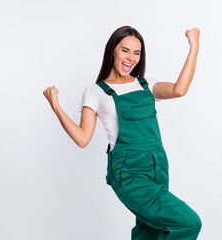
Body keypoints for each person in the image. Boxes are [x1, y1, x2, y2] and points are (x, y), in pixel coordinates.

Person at [43, 25, 201, 239]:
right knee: (188, 222)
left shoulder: (146, 85)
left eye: (137, 53)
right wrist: (56, 106)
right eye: (125, 50)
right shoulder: (96, 92)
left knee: (150, 232)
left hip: (157, 167)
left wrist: (194, 46)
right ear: (113, 51)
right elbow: (82, 139)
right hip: (128, 173)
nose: (131, 58)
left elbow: (179, 89)